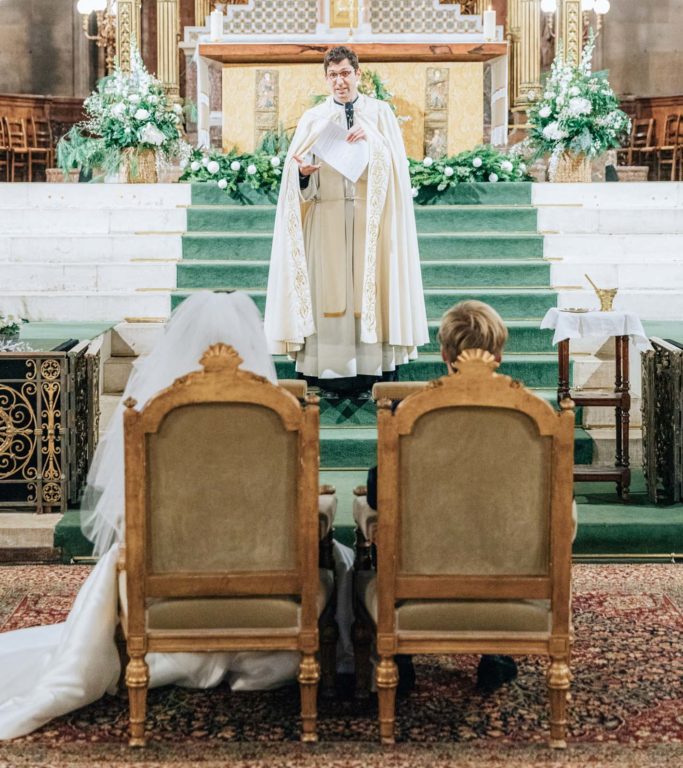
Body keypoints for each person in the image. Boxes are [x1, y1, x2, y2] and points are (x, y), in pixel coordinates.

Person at [0, 292, 354, 740]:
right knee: (333, 555)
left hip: (169, 578)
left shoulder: (153, 419)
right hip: (267, 575)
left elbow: (133, 509)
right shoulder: (277, 416)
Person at [367, 300, 517, 693]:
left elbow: (378, 489)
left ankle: (399, 656)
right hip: (498, 564)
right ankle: (496, 651)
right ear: (499, 353)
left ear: (444, 353)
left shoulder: (412, 411)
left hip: (424, 562)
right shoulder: (527, 416)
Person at [264, 45, 428, 397]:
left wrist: (373, 141)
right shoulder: (313, 118)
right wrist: (304, 174)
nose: (340, 81)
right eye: (333, 75)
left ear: (358, 73)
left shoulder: (380, 114)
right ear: (326, 79)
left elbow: (399, 170)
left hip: (371, 220)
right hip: (326, 218)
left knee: (371, 292)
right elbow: (294, 180)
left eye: (345, 73)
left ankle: (372, 371)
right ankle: (327, 372)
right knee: (329, 294)